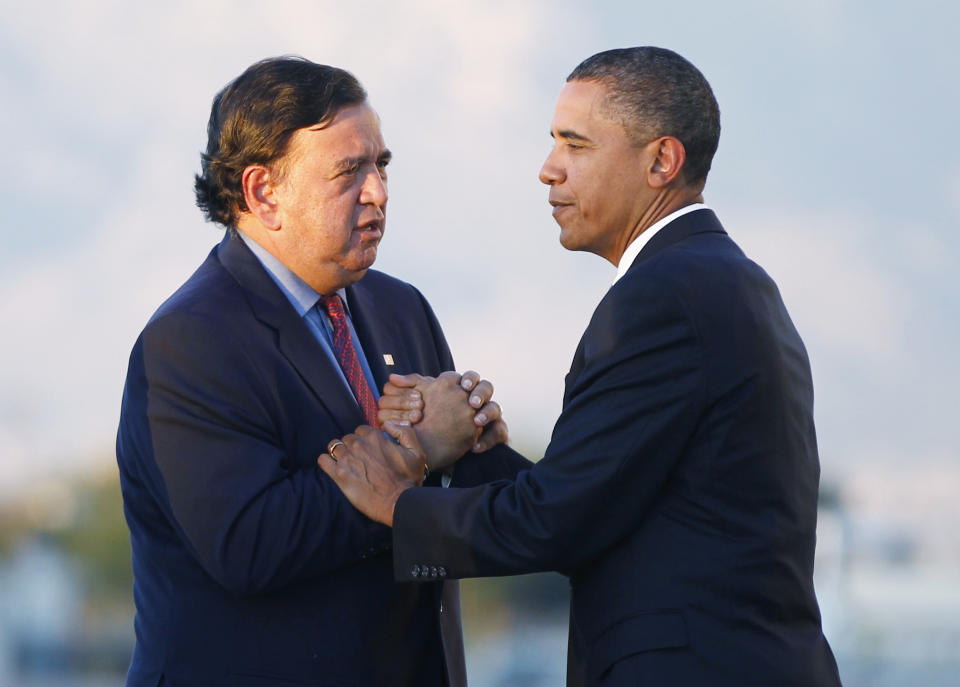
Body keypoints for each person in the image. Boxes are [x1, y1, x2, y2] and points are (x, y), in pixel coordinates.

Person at [320, 47, 843, 686]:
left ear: (661, 161)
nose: (548, 170)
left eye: (576, 145)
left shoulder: (663, 299)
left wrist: (396, 503)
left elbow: (554, 524)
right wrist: (470, 448)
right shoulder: (724, 282)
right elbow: (605, 507)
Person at [115, 56, 526, 687]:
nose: (378, 192)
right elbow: (248, 544)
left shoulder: (401, 306)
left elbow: (452, 515)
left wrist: (477, 445)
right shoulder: (192, 340)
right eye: (348, 172)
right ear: (262, 192)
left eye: (381, 165)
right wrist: (415, 448)